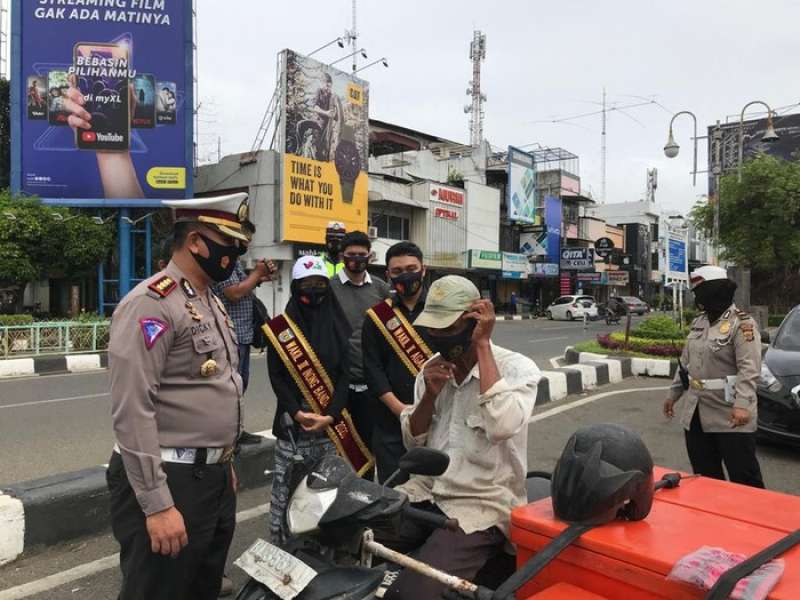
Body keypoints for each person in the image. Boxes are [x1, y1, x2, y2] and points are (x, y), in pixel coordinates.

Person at [107, 193, 250, 600]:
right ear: (196, 242)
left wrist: (224, 458)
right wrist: (156, 504)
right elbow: (133, 409)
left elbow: (216, 388)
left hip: (213, 477)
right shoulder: (151, 304)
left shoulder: (209, 301)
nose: (235, 254)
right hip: (172, 480)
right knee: (158, 591)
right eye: (230, 244)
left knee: (202, 589)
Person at [381, 276, 541, 599]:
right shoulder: (431, 369)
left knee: (412, 593)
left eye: (447, 328)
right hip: (427, 492)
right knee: (352, 532)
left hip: (480, 505)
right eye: (433, 330)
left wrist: (482, 345)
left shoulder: (517, 369)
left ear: (474, 322)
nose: (438, 337)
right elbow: (414, 442)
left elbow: (502, 426)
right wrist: (429, 395)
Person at [264, 256, 370, 545]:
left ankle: (323, 550)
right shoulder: (280, 329)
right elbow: (277, 377)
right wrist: (297, 413)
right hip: (292, 427)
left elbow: (345, 376)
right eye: (306, 285)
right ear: (295, 288)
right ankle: (281, 546)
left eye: (319, 284)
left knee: (328, 492)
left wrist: (331, 415)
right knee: (285, 490)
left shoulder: (338, 325)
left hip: (331, 428)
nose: (313, 291)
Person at [663, 265, 765, 488]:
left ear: (715, 291)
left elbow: (749, 369)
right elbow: (685, 363)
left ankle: (753, 521)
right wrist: (673, 395)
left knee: (744, 477)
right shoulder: (699, 322)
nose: (698, 298)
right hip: (696, 412)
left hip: (730, 413)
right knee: (705, 479)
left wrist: (742, 405)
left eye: (701, 291)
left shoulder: (742, 324)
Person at [362, 242, 431, 484]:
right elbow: (372, 369)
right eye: (398, 271)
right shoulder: (377, 317)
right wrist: (400, 410)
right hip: (390, 423)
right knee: (395, 495)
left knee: (440, 495)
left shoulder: (442, 311)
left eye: (411, 268)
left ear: (424, 270)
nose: (406, 275)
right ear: (388, 275)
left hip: (439, 417)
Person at [331, 231, 391, 470]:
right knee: (341, 448)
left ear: (370, 256)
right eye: (351, 255)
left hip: (372, 384)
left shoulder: (381, 289)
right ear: (342, 256)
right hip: (339, 383)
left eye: (361, 254)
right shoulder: (329, 288)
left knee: (369, 447)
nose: (356, 259)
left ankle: (366, 499)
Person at [211, 222, 276, 395]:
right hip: (231, 336)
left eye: (249, 240)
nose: (247, 243)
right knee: (232, 389)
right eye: (245, 239)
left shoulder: (235, 261)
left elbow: (241, 284)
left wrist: (260, 277)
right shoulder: (223, 260)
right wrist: (257, 273)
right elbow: (233, 293)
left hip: (243, 335)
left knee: (241, 386)